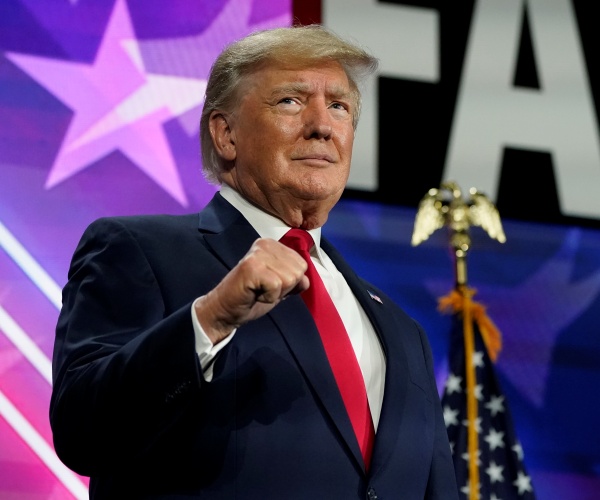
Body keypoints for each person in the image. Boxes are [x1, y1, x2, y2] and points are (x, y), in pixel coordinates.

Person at [50, 24, 459, 499]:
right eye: (290, 101)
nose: (322, 125)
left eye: (339, 106)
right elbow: (84, 431)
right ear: (226, 134)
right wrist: (212, 317)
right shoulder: (139, 249)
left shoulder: (403, 332)